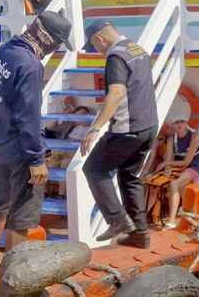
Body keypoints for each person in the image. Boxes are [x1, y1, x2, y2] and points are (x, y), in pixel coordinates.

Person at [0, 10, 72, 277]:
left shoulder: (3, 51)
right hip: (22, 151)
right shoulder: (31, 64)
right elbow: (29, 115)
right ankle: (11, 273)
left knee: (0, 201)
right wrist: (37, 159)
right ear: (47, 39)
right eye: (56, 44)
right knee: (22, 214)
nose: (55, 50)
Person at [81, 20, 158, 249]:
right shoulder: (136, 49)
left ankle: (116, 220)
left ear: (99, 39)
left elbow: (115, 93)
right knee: (129, 175)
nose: (97, 50)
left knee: (94, 168)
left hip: (128, 129)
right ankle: (140, 234)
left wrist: (95, 128)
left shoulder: (115, 57)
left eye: (95, 46)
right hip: (148, 127)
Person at [154, 104, 199, 230]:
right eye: (176, 122)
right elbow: (169, 158)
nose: (179, 125)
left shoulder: (195, 137)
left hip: (193, 166)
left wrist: (165, 164)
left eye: (182, 122)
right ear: (173, 125)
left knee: (173, 183)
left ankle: (171, 221)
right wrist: (167, 168)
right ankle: (164, 215)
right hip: (179, 167)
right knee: (162, 181)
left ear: (186, 123)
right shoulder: (172, 139)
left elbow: (187, 162)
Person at [44, 104, 90, 197]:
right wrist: (63, 114)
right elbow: (49, 127)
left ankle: (61, 194)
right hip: (60, 152)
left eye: (83, 115)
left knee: (65, 162)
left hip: (74, 154)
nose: (81, 119)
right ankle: (45, 192)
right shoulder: (69, 127)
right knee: (45, 162)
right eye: (78, 117)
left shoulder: (89, 130)